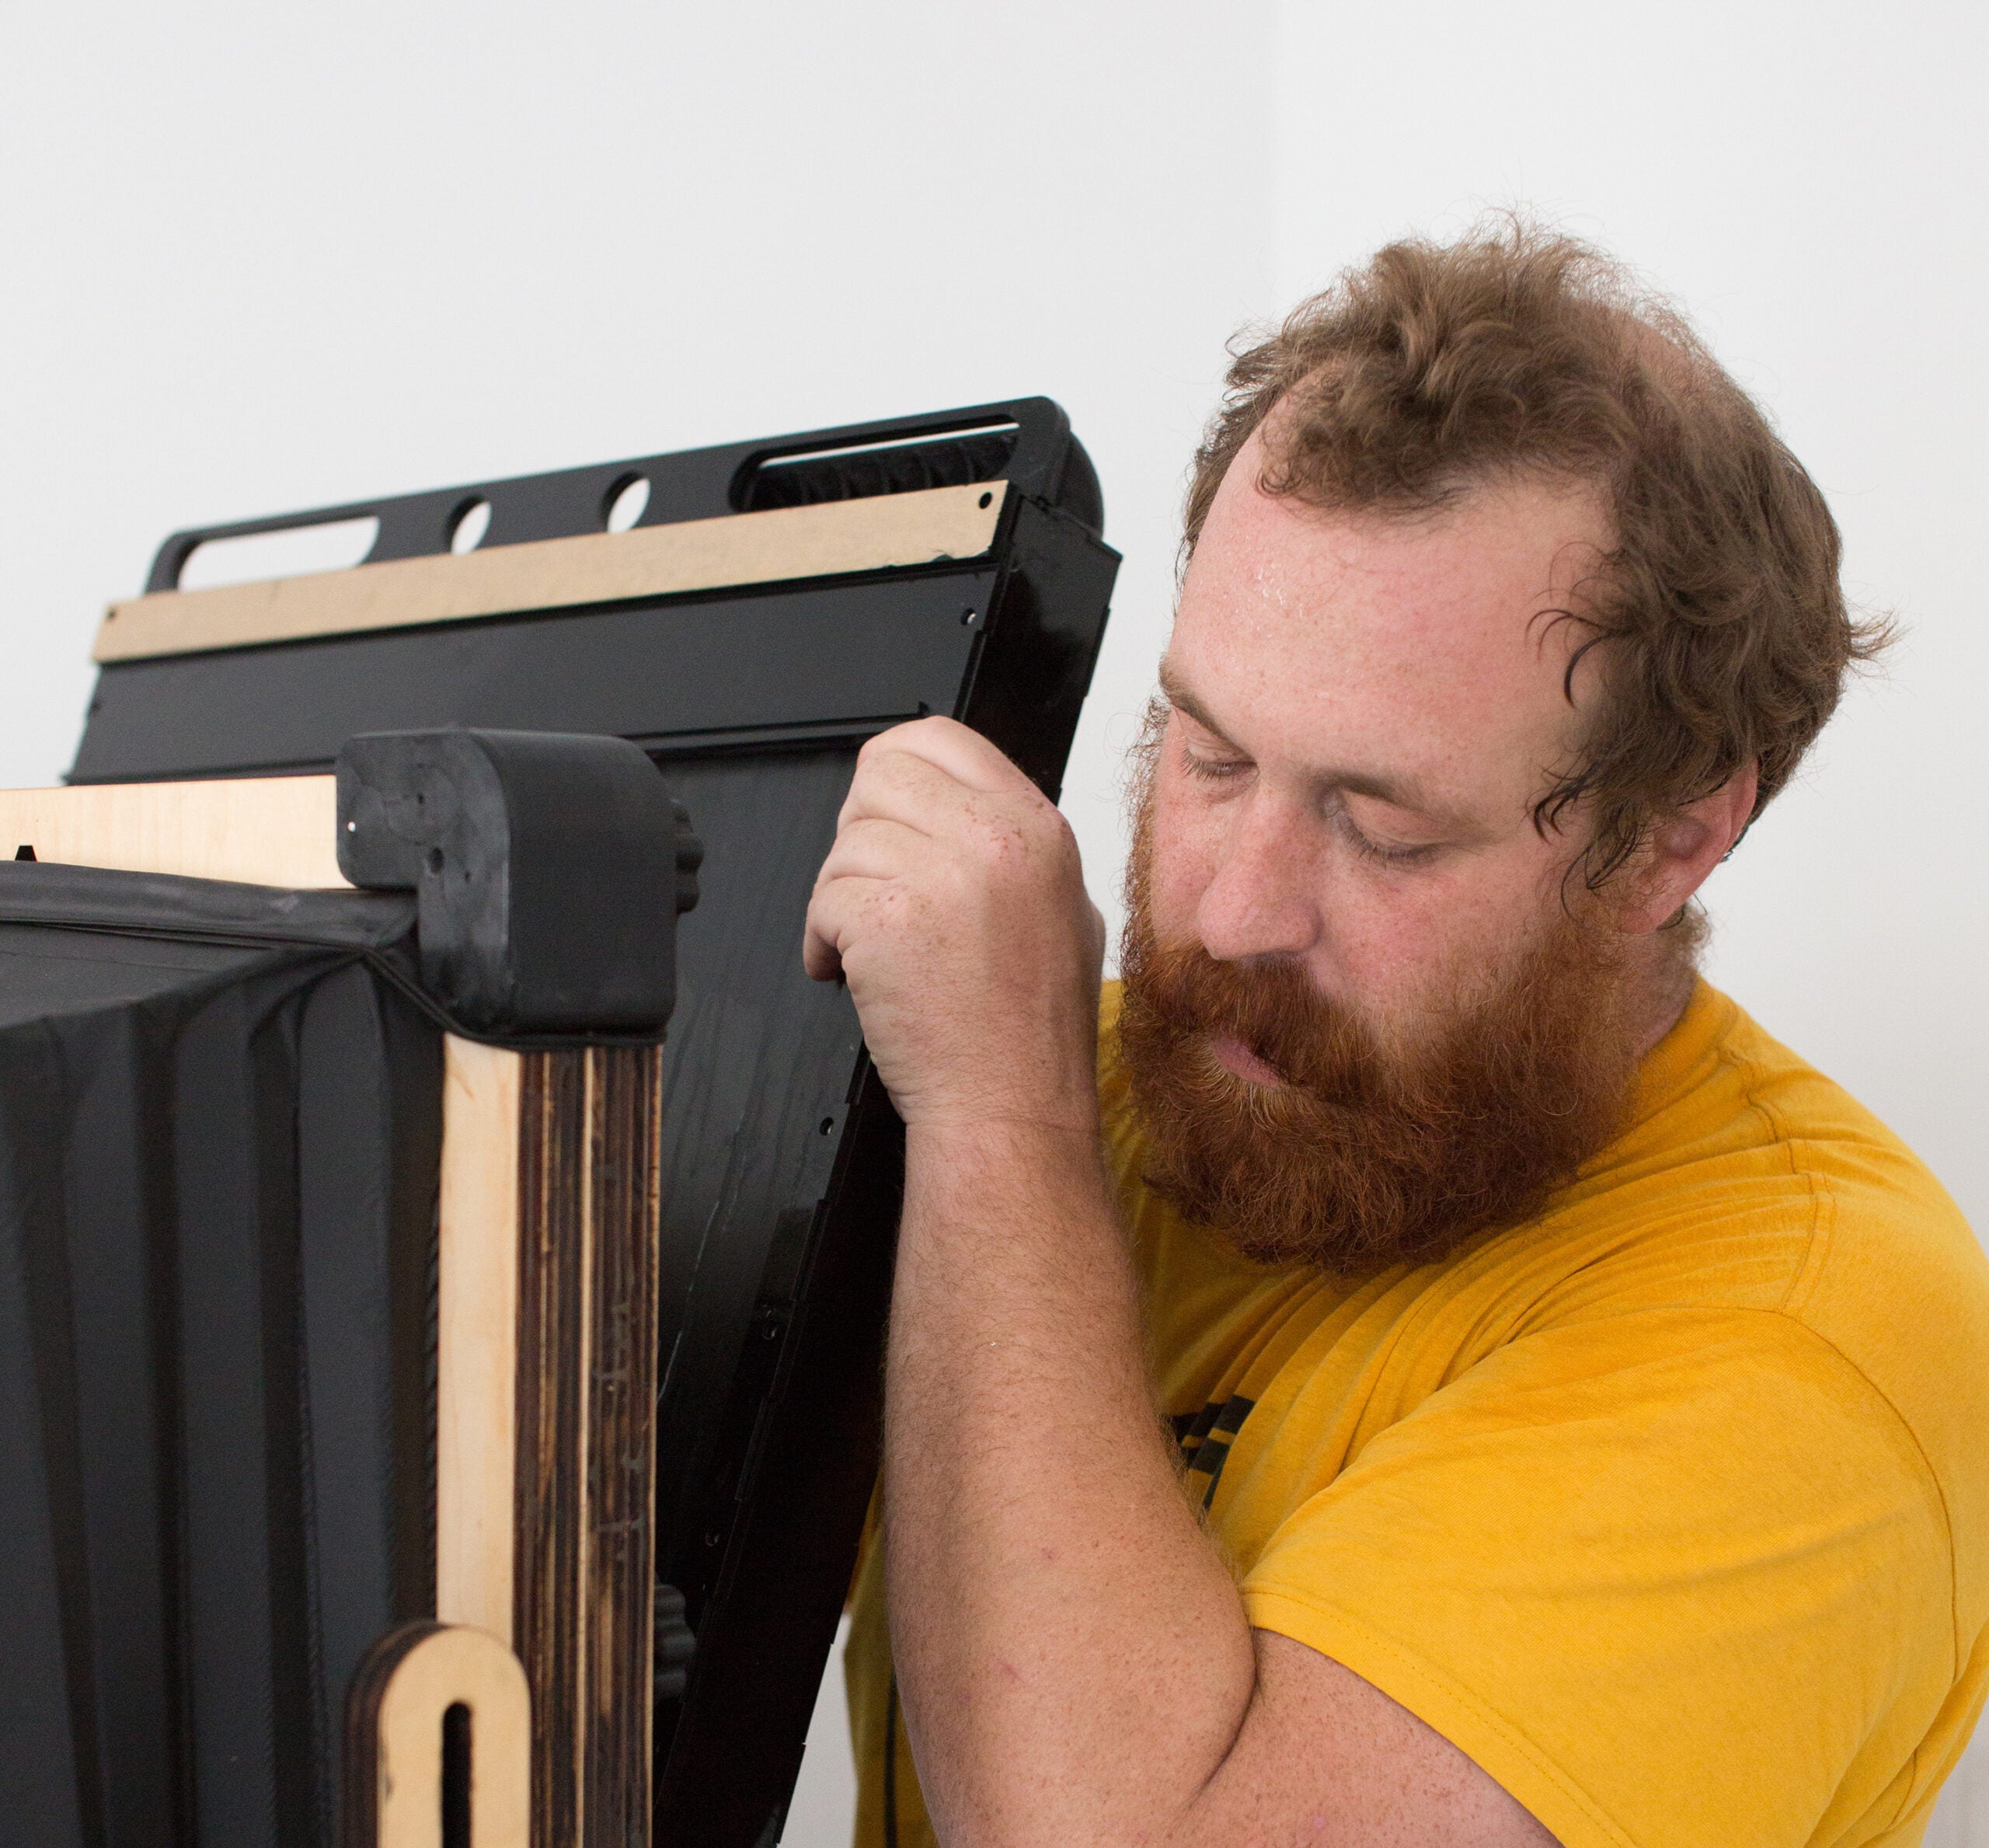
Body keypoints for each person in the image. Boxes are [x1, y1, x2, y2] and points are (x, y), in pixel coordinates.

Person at [803, 223, 1989, 1848]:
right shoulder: (1074, 1074)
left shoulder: (1811, 1335)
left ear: (1667, 841)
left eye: (1381, 829)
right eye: (1208, 756)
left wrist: (999, 1127)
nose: (1228, 917)